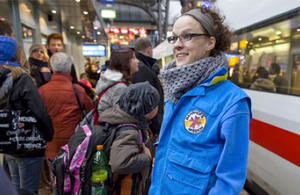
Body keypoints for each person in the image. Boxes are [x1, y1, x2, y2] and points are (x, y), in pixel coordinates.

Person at [149, 8, 251, 195]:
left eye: (187, 36)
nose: (177, 45)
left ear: (210, 42)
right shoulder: (173, 89)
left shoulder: (233, 102)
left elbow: (229, 181)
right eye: (174, 38)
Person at [0, 35, 53, 195]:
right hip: (28, 142)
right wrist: (48, 133)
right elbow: (38, 110)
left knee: (15, 187)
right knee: (29, 190)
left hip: (7, 141)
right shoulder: (21, 78)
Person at [98, 82, 159, 195]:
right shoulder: (130, 131)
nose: (158, 108)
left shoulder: (126, 120)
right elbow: (120, 163)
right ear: (147, 107)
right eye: (156, 104)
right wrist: (146, 158)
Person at [39, 52, 93, 161]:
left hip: (51, 143)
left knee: (53, 173)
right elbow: (91, 109)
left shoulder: (42, 91)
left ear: (51, 67)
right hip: (74, 142)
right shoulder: (77, 90)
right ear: (70, 68)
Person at [133, 37, 164, 136]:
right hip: (148, 126)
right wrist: (157, 127)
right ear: (149, 50)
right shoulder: (142, 68)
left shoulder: (139, 65)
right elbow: (148, 102)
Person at [95, 47, 139, 116]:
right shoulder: (120, 88)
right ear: (125, 62)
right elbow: (122, 116)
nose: (137, 61)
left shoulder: (110, 81)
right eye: (133, 58)